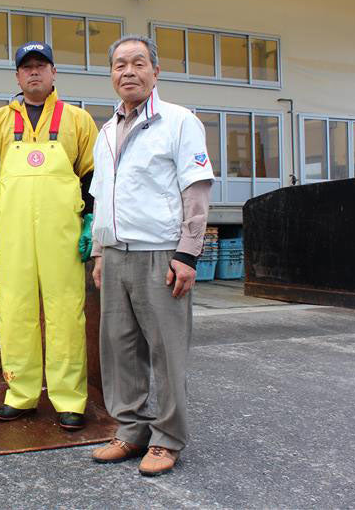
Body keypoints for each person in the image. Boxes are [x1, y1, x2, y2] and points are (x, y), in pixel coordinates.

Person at [89, 35, 214, 476]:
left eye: (138, 63)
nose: (128, 71)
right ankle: (130, 429)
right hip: (117, 254)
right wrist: (100, 251)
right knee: (119, 350)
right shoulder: (105, 132)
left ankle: (167, 438)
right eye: (119, 64)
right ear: (111, 75)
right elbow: (102, 199)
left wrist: (188, 254)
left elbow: (195, 192)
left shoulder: (179, 122)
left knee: (166, 351)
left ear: (155, 72)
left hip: (162, 252)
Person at [0, 41, 98, 431]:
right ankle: (20, 394)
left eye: (41, 65)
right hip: (13, 229)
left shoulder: (78, 119)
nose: (34, 72)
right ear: (17, 76)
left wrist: (93, 220)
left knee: (65, 313)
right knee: (15, 310)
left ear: (54, 73)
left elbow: (93, 176)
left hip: (63, 231)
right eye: (27, 67)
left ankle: (69, 399)